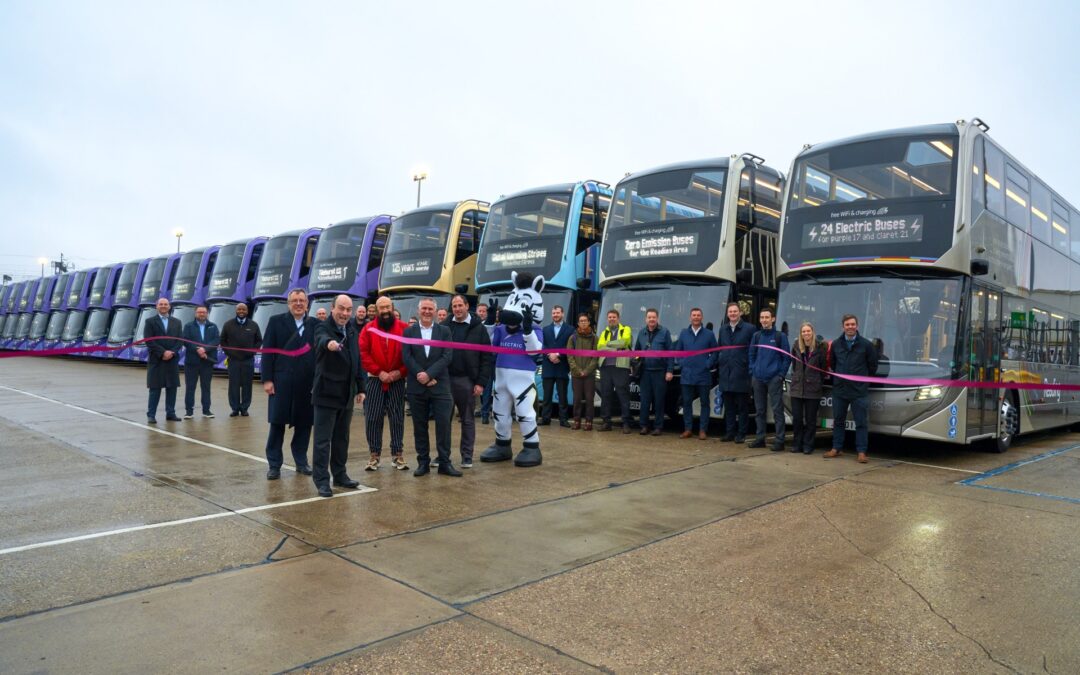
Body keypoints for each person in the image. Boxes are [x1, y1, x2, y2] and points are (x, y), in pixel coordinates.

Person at [311, 295, 366, 497]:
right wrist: (329, 344)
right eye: (341, 309)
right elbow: (321, 340)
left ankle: (340, 475)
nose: (344, 313)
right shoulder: (322, 327)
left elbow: (357, 360)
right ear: (332, 308)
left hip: (347, 394)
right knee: (322, 441)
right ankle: (322, 481)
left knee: (341, 438)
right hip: (326, 393)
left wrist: (361, 388)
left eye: (348, 309)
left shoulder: (351, 330)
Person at [262, 288, 319, 479]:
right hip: (281, 382)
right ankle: (274, 465)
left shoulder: (315, 324)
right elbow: (268, 351)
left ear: (307, 304)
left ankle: (301, 462)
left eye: (302, 300)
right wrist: (268, 379)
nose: (299, 304)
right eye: (295, 300)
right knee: (277, 424)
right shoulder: (276, 321)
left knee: (304, 425)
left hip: (306, 384)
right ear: (289, 303)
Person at [403, 298, 459, 477]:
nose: (427, 312)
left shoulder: (444, 331)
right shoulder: (408, 331)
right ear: (419, 311)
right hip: (417, 386)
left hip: (440, 386)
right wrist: (422, 374)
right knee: (420, 427)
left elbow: (447, 356)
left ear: (435, 312)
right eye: (424, 309)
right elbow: (407, 356)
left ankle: (444, 463)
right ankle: (423, 463)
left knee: (444, 426)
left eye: (430, 309)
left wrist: (430, 375)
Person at [359, 296, 410, 471]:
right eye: (382, 308)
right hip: (374, 379)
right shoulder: (368, 329)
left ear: (392, 307)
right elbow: (364, 354)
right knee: (373, 418)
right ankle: (374, 455)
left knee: (397, 418)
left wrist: (400, 372)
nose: (385, 310)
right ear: (377, 310)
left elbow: (410, 354)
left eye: (388, 307)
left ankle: (398, 455)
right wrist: (379, 372)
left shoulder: (404, 328)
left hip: (397, 380)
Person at [442, 294, 493, 467]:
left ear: (466, 306)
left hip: (467, 381)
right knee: (443, 420)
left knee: (467, 420)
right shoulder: (444, 326)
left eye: (459, 305)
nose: (457, 309)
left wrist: (481, 383)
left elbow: (486, 358)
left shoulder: (479, 328)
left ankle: (467, 456)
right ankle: (443, 455)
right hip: (446, 380)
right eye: (454, 306)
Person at [825, 314, 879, 463]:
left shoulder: (866, 345)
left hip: (858, 392)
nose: (850, 327)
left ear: (857, 326)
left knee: (861, 422)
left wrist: (862, 382)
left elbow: (872, 366)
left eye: (853, 324)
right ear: (843, 327)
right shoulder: (836, 344)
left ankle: (861, 452)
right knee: (838, 421)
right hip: (840, 390)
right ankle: (836, 448)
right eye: (847, 325)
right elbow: (833, 364)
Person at [749, 307, 791, 451]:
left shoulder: (780, 336)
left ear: (773, 319)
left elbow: (786, 358)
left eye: (767, 317)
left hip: (774, 378)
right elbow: (751, 354)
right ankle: (760, 438)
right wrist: (753, 370)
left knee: (777, 410)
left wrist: (780, 375)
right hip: (758, 378)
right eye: (762, 317)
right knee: (759, 410)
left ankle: (780, 440)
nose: (764, 320)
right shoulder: (756, 336)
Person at [676, 308, 717, 440]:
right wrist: (682, 363)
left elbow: (715, 352)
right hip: (687, 375)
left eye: (698, 315)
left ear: (702, 318)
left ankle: (703, 430)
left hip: (703, 375)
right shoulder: (683, 333)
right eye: (693, 315)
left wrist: (708, 364)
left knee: (705, 403)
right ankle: (688, 429)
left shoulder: (709, 334)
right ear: (690, 318)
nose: (696, 317)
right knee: (687, 403)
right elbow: (678, 352)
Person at [716, 302, 755, 443]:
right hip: (725, 373)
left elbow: (753, 350)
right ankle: (730, 432)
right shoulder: (723, 329)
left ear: (740, 313)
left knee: (742, 407)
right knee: (729, 407)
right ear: (727, 314)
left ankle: (741, 433)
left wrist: (749, 368)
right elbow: (720, 347)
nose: (732, 314)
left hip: (741, 373)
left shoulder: (749, 329)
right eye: (730, 312)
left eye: (735, 311)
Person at [789, 321, 827, 455]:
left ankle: (808, 445)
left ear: (812, 332)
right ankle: (796, 444)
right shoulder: (795, 346)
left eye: (808, 331)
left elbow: (823, 368)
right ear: (801, 334)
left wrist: (816, 381)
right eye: (803, 331)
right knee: (797, 419)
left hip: (813, 389)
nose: (806, 334)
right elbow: (794, 366)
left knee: (810, 420)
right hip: (797, 388)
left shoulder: (820, 347)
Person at [144, 297, 183, 424]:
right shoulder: (150, 322)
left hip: (172, 360)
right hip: (157, 360)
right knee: (155, 389)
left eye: (166, 304)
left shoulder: (177, 322)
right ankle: (151, 415)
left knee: (172, 388)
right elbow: (149, 340)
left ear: (169, 306)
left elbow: (180, 340)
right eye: (161, 304)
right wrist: (163, 353)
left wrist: (172, 352)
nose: (163, 306)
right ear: (157, 306)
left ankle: (170, 413)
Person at [634, 308, 673, 435]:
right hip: (645, 372)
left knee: (659, 401)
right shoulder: (641, 333)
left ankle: (658, 427)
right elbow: (637, 352)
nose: (651, 319)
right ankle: (644, 426)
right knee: (644, 401)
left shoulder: (665, 332)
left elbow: (670, 354)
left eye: (654, 317)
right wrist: (634, 363)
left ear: (657, 319)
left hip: (660, 372)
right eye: (649, 317)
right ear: (646, 319)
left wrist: (669, 371)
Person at [219, 302, 262, 417]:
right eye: (239, 309)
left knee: (247, 385)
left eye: (244, 309)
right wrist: (230, 353)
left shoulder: (253, 325)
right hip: (234, 360)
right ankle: (234, 408)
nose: (241, 311)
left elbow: (259, 340)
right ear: (236, 311)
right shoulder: (228, 324)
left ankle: (244, 408)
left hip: (248, 360)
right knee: (234, 385)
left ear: (247, 311)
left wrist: (252, 351)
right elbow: (222, 341)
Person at [597, 309, 633, 433]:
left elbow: (624, 342)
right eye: (610, 317)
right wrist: (615, 347)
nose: (611, 319)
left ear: (618, 318)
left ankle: (626, 423)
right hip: (606, 367)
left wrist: (608, 346)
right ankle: (606, 422)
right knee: (605, 395)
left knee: (623, 395)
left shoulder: (626, 329)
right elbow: (600, 347)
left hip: (621, 367)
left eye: (614, 317)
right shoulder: (604, 332)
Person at [181, 305, 218, 419]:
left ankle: (206, 411)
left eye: (204, 312)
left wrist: (205, 349)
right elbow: (185, 341)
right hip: (192, 362)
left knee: (206, 387)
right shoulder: (188, 326)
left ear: (207, 313)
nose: (202, 314)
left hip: (207, 362)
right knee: (190, 387)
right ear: (195, 313)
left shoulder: (213, 326)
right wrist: (197, 349)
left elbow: (216, 340)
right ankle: (189, 411)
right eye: (199, 312)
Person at [540, 305, 572, 428]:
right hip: (548, 365)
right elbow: (542, 345)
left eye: (558, 313)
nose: (555, 315)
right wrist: (550, 355)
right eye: (553, 313)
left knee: (562, 395)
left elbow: (570, 347)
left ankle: (563, 420)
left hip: (562, 366)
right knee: (547, 395)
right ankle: (545, 418)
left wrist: (558, 354)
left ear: (562, 314)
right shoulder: (545, 329)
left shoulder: (570, 329)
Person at [567, 313, 598, 430]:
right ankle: (576, 421)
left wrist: (587, 371)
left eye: (585, 321)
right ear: (578, 323)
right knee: (577, 399)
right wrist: (577, 370)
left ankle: (589, 421)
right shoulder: (573, 338)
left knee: (590, 399)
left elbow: (596, 357)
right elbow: (570, 356)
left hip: (589, 375)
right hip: (576, 374)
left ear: (589, 322)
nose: (583, 322)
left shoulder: (595, 338)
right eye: (581, 321)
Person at [475, 302, 494, 423]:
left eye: (484, 311)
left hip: (492, 360)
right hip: (477, 360)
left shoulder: (493, 326)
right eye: (480, 311)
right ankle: (484, 413)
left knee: (490, 388)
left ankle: (486, 413)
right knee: (483, 387)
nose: (482, 313)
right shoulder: (474, 325)